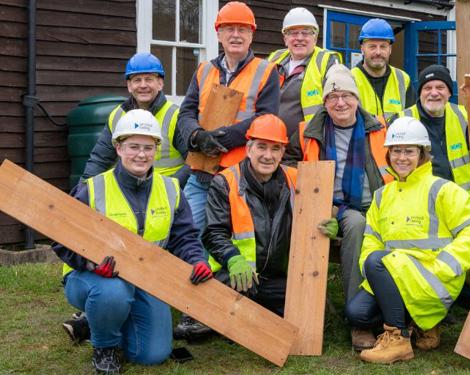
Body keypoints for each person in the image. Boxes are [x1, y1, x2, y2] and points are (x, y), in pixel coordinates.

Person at [53, 109, 213, 374]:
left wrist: (197, 260)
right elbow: (61, 238)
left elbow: (184, 236)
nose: (141, 154)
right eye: (133, 147)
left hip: (146, 278)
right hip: (92, 277)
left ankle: (95, 323)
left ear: (156, 150)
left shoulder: (171, 189)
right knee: (112, 292)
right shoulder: (92, 188)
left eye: (148, 147)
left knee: (152, 354)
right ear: (118, 148)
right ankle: (105, 347)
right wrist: (91, 263)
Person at [174, 1, 280, 338]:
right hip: (201, 171)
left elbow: (266, 119)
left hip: (237, 177)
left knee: (224, 242)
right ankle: (191, 304)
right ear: (218, 33)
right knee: (189, 236)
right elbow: (187, 111)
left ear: (252, 35)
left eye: (242, 29)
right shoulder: (204, 70)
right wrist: (195, 135)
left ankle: (216, 308)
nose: (236, 34)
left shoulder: (266, 71)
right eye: (229, 29)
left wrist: (224, 137)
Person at [346, 116, 470, 364]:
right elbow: (371, 241)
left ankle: (398, 340)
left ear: (422, 154)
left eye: (409, 151)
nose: (401, 158)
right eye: (396, 151)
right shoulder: (381, 196)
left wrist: (445, 267)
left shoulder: (442, 189)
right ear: (388, 154)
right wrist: (373, 273)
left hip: (433, 279)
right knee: (357, 314)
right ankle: (420, 324)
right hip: (395, 277)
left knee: (378, 260)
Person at [283, 63, 392, 350]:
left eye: (346, 95)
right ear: (325, 102)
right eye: (333, 97)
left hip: (381, 203)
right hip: (337, 207)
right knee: (357, 227)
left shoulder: (380, 127)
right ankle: (361, 321)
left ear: (357, 99)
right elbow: (287, 166)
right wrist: (319, 207)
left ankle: (404, 318)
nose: (340, 102)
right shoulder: (309, 131)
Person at [202, 114, 297, 315]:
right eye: (261, 147)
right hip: (236, 274)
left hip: (278, 278)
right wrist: (233, 259)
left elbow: (317, 211)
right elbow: (213, 233)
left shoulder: (296, 179)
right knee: (236, 307)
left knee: (304, 306)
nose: (268, 156)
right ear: (248, 149)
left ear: (282, 153)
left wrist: (326, 220)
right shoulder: (225, 181)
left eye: (275, 148)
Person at [81, 52, 190, 187]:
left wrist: (169, 188)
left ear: (160, 83)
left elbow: (192, 162)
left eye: (149, 79)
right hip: (127, 192)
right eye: (137, 80)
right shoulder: (117, 116)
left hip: (166, 197)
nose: (143, 85)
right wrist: (83, 189)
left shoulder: (176, 116)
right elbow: (99, 160)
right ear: (129, 85)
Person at [394, 65, 470, 193]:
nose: (434, 93)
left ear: (449, 93)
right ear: (420, 93)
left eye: (440, 87)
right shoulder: (401, 120)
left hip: (461, 201)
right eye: (427, 88)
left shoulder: (465, 116)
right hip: (420, 202)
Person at [267, 7, 341, 136]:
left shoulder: (327, 61)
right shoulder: (274, 59)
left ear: (315, 38)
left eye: (306, 32)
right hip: (272, 141)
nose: (299, 38)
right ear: (285, 39)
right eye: (293, 33)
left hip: (308, 143)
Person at [351, 18, 414, 121]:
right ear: (362, 49)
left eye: (383, 47)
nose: (378, 52)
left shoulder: (403, 79)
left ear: (390, 49)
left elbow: (412, 120)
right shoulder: (349, 79)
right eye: (372, 47)